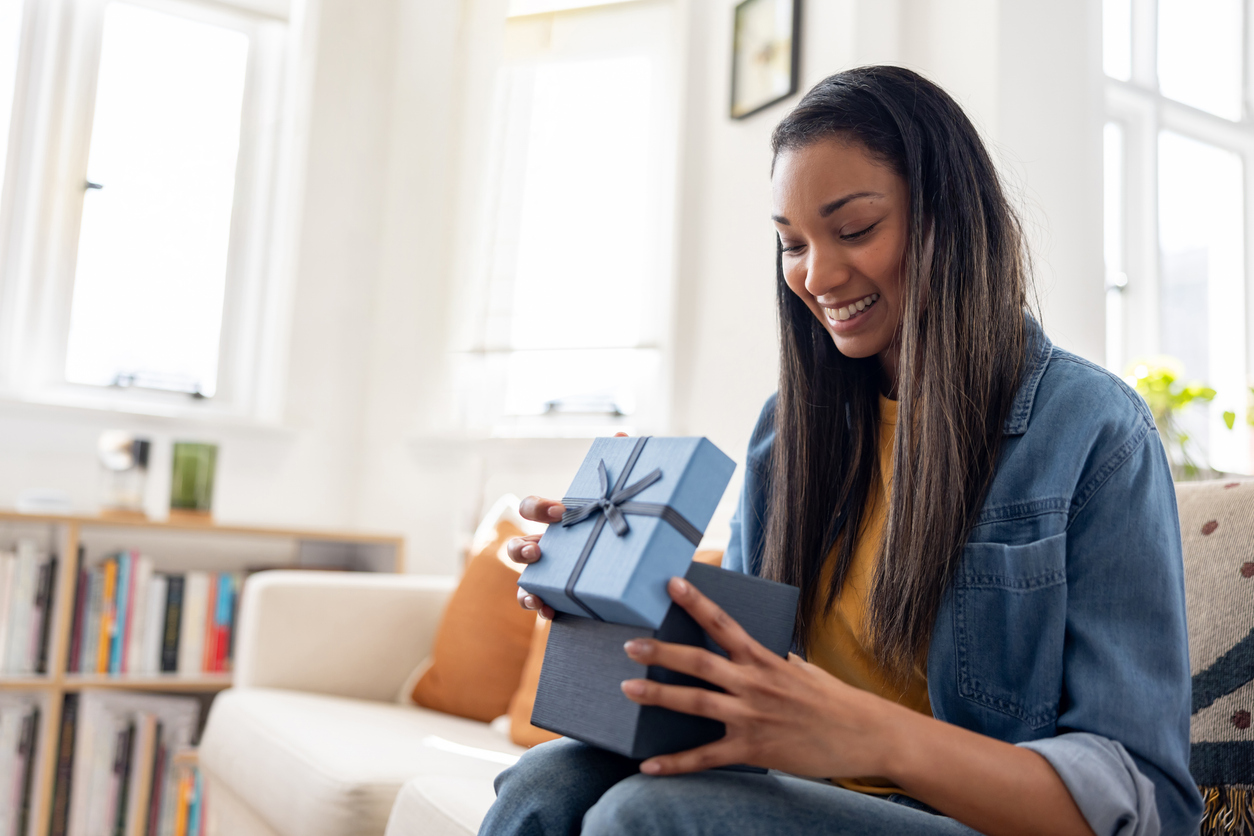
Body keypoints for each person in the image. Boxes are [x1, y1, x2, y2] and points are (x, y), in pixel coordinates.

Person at [479, 66, 1203, 836]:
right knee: (543, 784)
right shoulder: (786, 433)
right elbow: (748, 694)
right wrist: (614, 594)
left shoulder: (1093, 431)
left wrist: (869, 734)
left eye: (854, 229)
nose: (815, 275)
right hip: (806, 799)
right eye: (792, 244)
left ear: (948, 219)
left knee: (649, 817)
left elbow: (1146, 801)